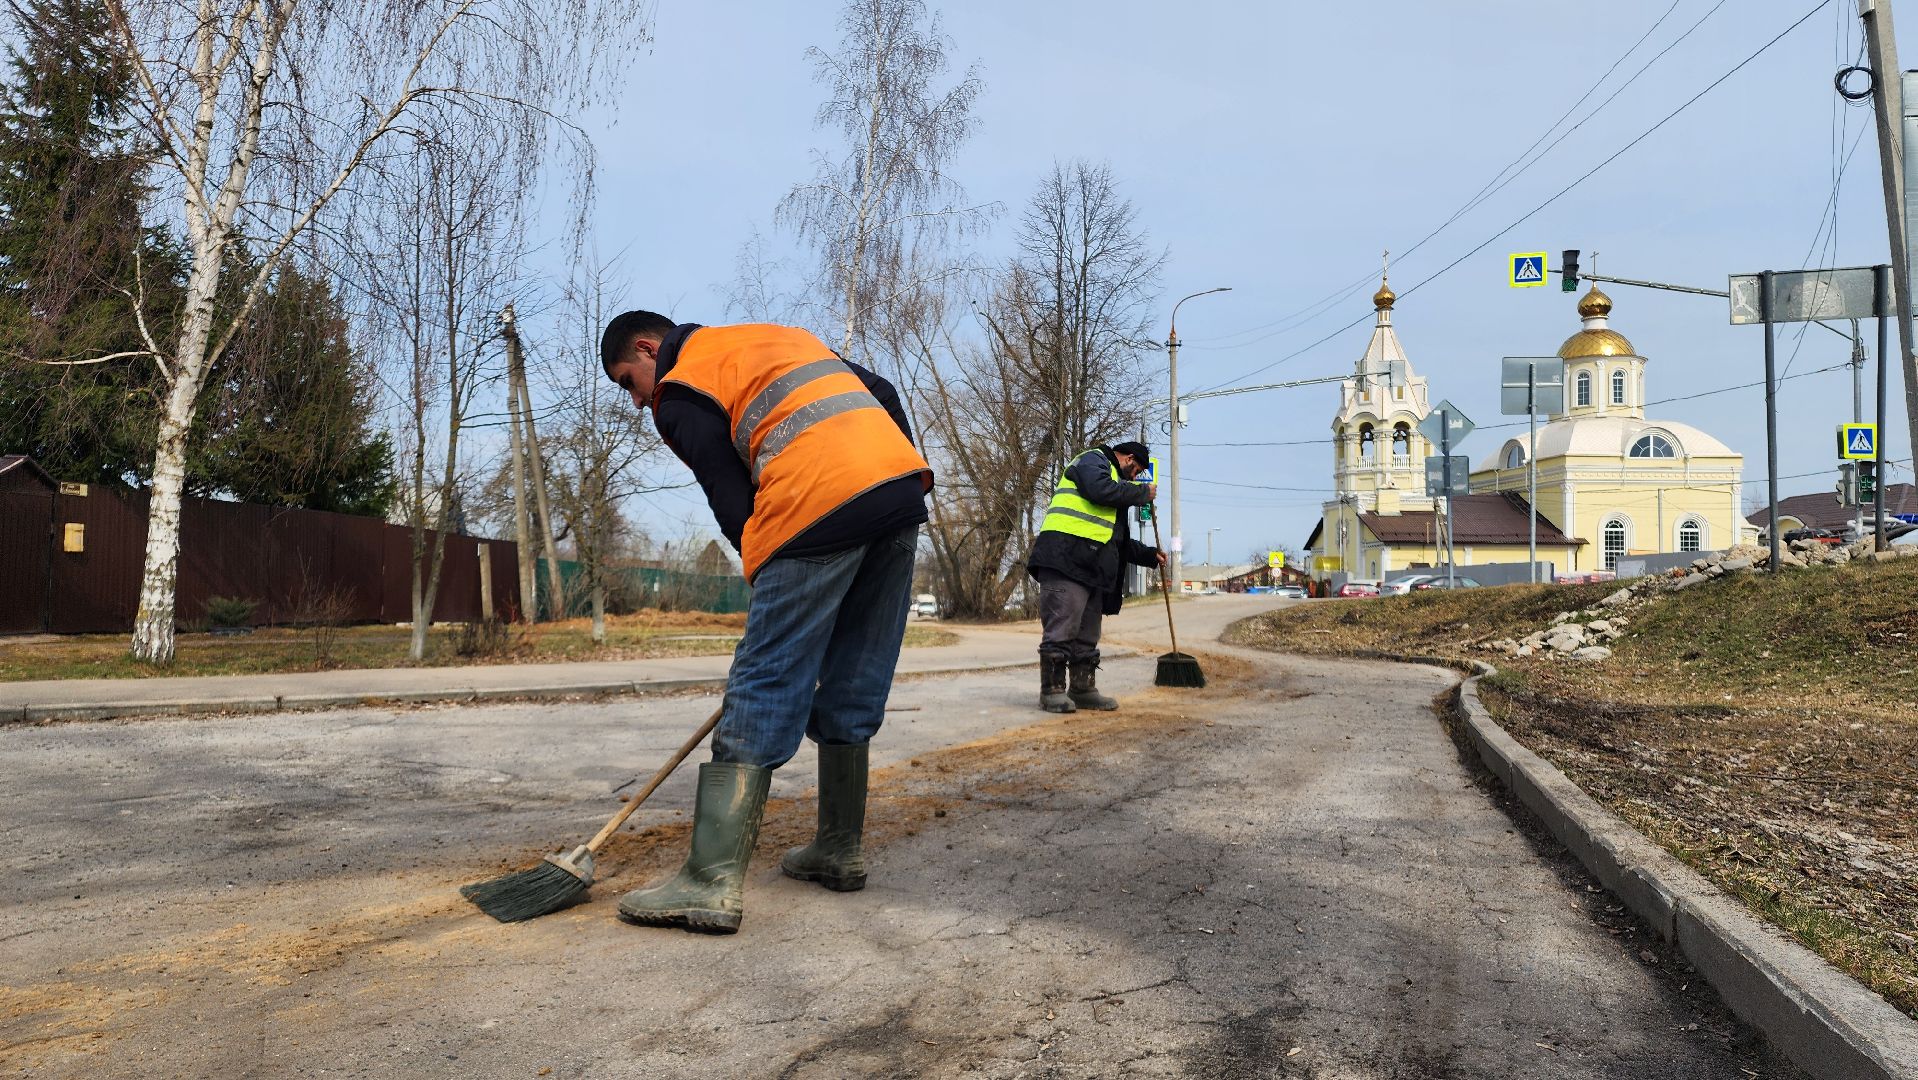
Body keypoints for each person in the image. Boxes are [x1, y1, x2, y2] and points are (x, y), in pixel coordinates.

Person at [599, 310, 932, 934]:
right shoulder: (780, 337)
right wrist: (891, 479)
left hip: (813, 505)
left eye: (629, 382)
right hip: (896, 497)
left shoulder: (681, 387)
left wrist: (769, 582)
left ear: (649, 347)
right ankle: (838, 849)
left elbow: (730, 496)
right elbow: (880, 393)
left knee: (762, 679)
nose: (639, 402)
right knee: (854, 678)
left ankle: (709, 881)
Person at [1025, 441, 1163, 713]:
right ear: (1129, 459)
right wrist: (1140, 492)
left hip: (1089, 566)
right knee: (1062, 629)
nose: (1134, 478)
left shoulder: (1113, 487)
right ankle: (1051, 691)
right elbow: (1098, 489)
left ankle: (1083, 689)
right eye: (1136, 472)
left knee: (1088, 633)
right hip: (1065, 558)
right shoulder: (1093, 460)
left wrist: (1149, 555)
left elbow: (1115, 540)